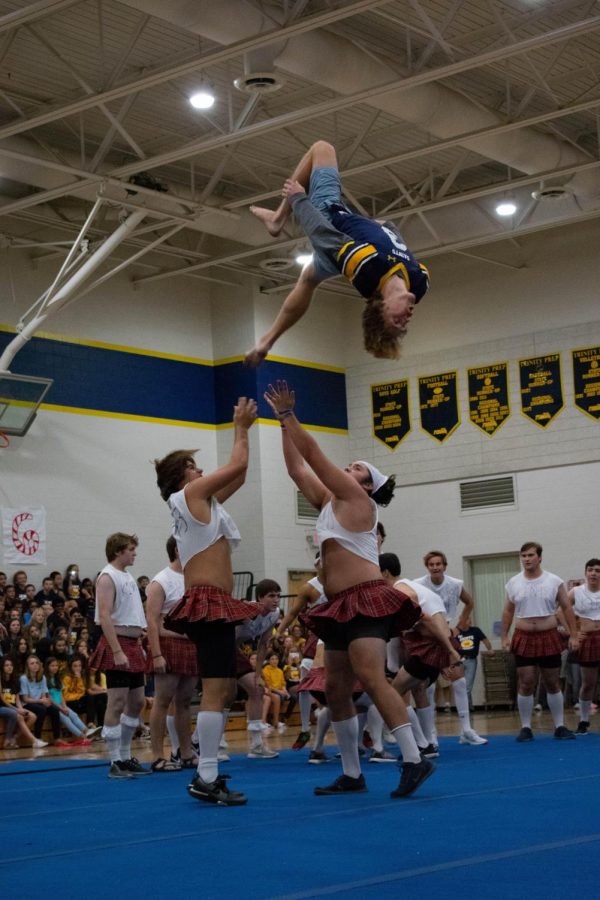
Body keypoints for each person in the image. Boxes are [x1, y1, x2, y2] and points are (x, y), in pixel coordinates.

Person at [264, 379, 434, 798]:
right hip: (338, 603)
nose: (349, 468)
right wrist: (284, 429)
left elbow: (315, 456)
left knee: (372, 678)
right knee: (336, 689)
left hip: (366, 600)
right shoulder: (328, 504)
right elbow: (295, 468)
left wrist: (289, 416)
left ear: (368, 486)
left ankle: (414, 759)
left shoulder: (362, 503)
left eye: (357, 467)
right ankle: (353, 773)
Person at [154, 396, 259, 807]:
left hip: (211, 600)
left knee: (224, 687)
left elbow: (240, 477)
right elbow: (236, 467)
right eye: (194, 465)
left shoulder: (199, 501)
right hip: (209, 600)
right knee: (217, 690)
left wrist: (243, 440)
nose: (200, 470)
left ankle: (207, 769)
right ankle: (207, 774)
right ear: (183, 475)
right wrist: (241, 428)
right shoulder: (191, 493)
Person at [246, 140, 429, 367]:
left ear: (380, 306)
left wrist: (298, 200)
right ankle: (266, 341)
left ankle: (276, 219)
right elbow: (396, 242)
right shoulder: (419, 283)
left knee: (323, 149)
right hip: (347, 248)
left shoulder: (367, 266)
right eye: (405, 324)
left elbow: (324, 236)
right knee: (308, 279)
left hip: (329, 220)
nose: (408, 317)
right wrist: (385, 228)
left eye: (397, 320)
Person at [501, 541, 579, 742]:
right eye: (523, 556)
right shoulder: (514, 582)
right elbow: (508, 610)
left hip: (549, 635)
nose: (526, 559)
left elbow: (567, 608)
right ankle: (526, 727)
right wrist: (504, 636)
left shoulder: (554, 581)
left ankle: (560, 726)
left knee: (552, 682)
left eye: (530, 555)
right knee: (526, 682)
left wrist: (574, 634)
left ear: (540, 557)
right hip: (523, 636)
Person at [89, 532, 151, 778]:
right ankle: (114, 760)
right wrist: (116, 650)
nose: (135, 553)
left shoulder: (127, 576)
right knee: (116, 702)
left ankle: (125, 756)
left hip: (133, 642)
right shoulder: (107, 577)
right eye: (131, 549)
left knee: (137, 702)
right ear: (118, 551)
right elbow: (104, 616)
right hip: (118, 642)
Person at [415, 550, 487, 745]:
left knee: (460, 682)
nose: (435, 567)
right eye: (431, 564)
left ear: (444, 566)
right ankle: (430, 734)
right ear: (427, 567)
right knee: (428, 687)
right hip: (427, 637)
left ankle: (466, 730)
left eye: (439, 564)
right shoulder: (418, 585)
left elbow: (470, 602)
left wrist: (460, 625)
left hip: (447, 633)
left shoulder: (455, 584)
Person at [146, 536, 198, 772]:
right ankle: (157, 756)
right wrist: (156, 654)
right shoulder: (161, 581)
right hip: (168, 644)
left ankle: (185, 753)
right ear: (178, 550)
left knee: (185, 702)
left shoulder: (194, 578)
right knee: (162, 701)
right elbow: (152, 621)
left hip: (191, 645)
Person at [276, 555, 327, 750]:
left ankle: (365, 733)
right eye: (321, 561)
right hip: (317, 638)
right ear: (316, 564)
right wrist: (280, 631)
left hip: (338, 638)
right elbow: (292, 612)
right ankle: (305, 728)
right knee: (305, 680)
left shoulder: (341, 580)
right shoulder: (309, 587)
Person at [235, 579, 282, 760]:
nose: (276, 600)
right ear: (260, 598)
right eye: (271, 596)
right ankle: (212, 744)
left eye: (278, 595)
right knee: (226, 695)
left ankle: (256, 745)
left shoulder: (274, 613)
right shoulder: (247, 611)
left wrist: (258, 673)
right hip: (221, 647)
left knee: (257, 688)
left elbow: (263, 644)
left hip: (235, 650)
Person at [569, 558, 600, 735]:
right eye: (590, 570)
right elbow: (560, 611)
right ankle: (584, 721)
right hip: (587, 638)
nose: (593, 573)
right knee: (588, 682)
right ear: (585, 572)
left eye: (597, 570)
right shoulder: (576, 591)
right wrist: (573, 632)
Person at [0, 656, 43, 748]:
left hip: (13, 707)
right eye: (6, 665)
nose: (9, 667)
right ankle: (34, 741)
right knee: (18, 715)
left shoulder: (15, 680)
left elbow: (17, 699)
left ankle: (14, 738)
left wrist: (20, 708)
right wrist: (17, 710)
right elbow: (2, 699)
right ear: (2, 667)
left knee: (32, 716)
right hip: (2, 706)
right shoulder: (0, 680)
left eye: (11, 665)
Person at [19, 654, 61, 744]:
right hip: (28, 703)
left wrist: (44, 701)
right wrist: (41, 701)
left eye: (37, 663)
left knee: (54, 710)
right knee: (41, 710)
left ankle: (56, 738)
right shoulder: (23, 679)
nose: (35, 665)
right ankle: (37, 738)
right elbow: (25, 699)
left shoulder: (42, 677)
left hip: (39, 702)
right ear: (28, 666)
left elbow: (43, 695)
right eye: (32, 663)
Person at [457, 616, 493, 710]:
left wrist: (490, 649)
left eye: (469, 619)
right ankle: (469, 707)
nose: (470, 621)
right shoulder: (457, 632)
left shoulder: (475, 630)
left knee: (467, 687)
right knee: (462, 686)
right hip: (459, 662)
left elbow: (485, 640)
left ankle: (464, 709)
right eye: (467, 619)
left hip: (471, 661)